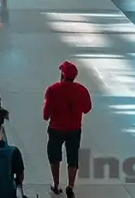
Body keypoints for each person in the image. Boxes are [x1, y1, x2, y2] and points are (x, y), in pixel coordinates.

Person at [43, 61, 92, 198]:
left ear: (62, 74)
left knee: (54, 156)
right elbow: (87, 108)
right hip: (74, 129)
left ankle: (56, 184)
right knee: (73, 157)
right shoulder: (82, 90)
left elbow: (46, 114)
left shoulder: (53, 90)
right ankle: (70, 186)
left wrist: (49, 115)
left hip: (56, 129)